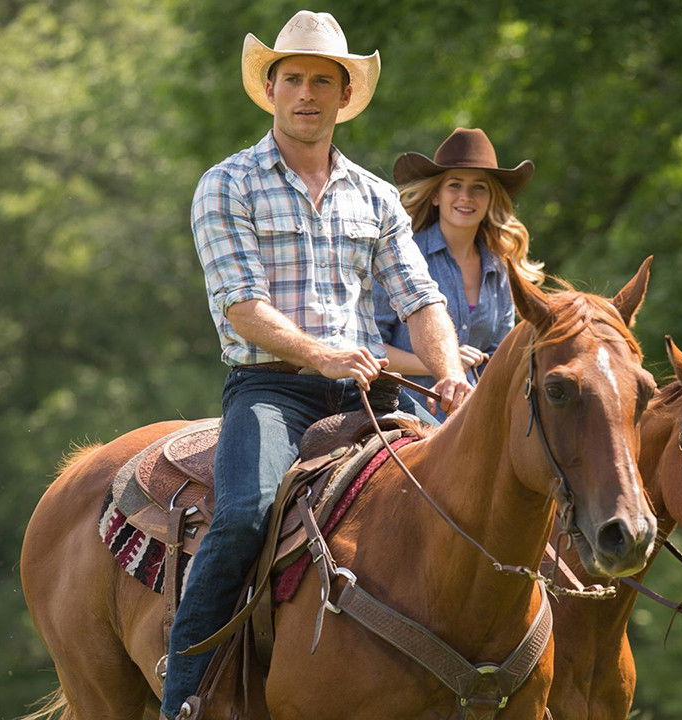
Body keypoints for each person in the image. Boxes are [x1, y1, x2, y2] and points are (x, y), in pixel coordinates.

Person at [160, 11, 473, 719]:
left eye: (322, 82)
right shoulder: (227, 184)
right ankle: (186, 698)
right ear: (271, 89)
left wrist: (449, 370)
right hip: (272, 388)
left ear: (343, 97)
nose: (307, 92)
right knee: (243, 515)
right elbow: (242, 306)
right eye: (293, 78)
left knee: (469, 495)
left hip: (367, 391)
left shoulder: (376, 197)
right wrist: (318, 351)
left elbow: (420, 298)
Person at [374, 127, 544, 419]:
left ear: (491, 198)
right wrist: (443, 363)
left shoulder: (500, 269)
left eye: (479, 187)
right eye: (455, 185)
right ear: (436, 195)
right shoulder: (401, 255)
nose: (466, 196)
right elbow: (371, 349)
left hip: (472, 421)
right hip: (403, 417)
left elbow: (500, 360)